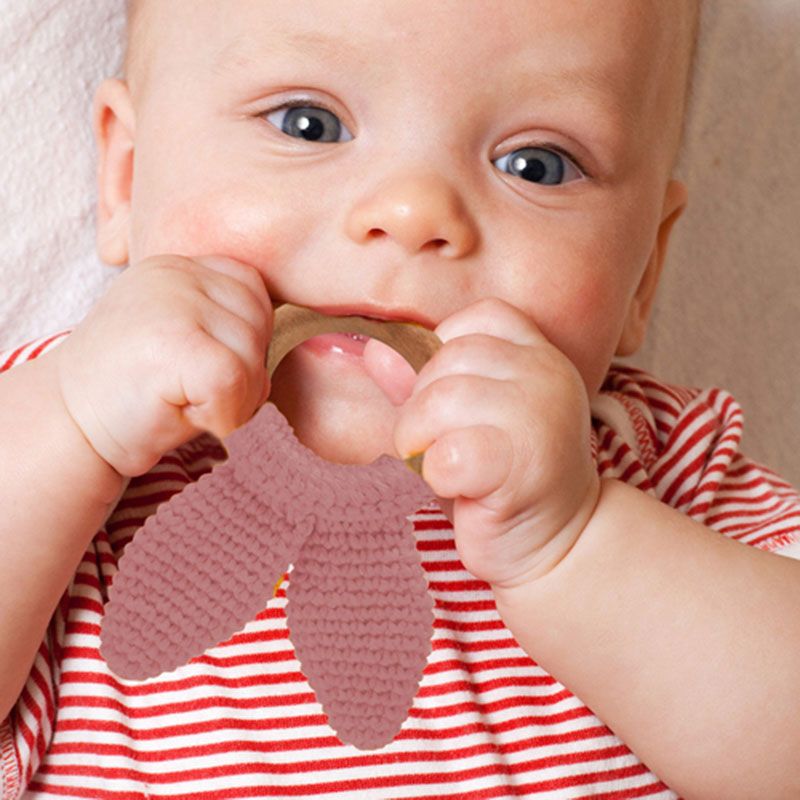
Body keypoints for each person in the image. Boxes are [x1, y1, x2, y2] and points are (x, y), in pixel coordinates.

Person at [1, 0, 799, 797]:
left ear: (644, 273)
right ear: (127, 175)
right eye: (307, 123)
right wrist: (74, 421)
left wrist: (571, 539)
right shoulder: (71, 435)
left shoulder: (652, 467)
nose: (415, 212)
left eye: (539, 164)